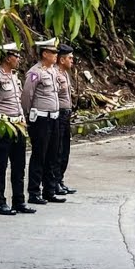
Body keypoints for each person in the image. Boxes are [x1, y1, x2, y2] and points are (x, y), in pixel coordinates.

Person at [0, 43, 32, 215]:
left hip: (17, 125)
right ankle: (0, 202)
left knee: (19, 165)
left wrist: (23, 120)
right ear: (7, 57)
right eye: (16, 56)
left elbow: (18, 102)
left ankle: (19, 200)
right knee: (0, 166)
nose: (19, 59)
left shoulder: (14, 76)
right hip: (2, 126)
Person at [21, 38, 64, 205]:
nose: (56, 55)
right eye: (53, 53)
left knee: (53, 155)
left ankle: (49, 190)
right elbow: (27, 96)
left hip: (53, 117)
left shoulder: (53, 71)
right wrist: (27, 115)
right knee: (39, 154)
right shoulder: (35, 72)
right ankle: (34, 192)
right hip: (40, 118)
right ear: (45, 54)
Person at [53, 44, 76, 195]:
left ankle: (60, 179)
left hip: (66, 114)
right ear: (62, 59)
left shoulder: (65, 73)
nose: (72, 61)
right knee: (58, 149)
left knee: (65, 149)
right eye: (70, 58)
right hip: (58, 114)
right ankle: (54, 182)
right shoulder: (54, 74)